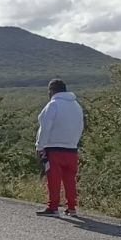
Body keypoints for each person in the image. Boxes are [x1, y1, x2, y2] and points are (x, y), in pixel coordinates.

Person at [35, 79, 84, 217]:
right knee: (70, 180)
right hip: (72, 149)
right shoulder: (77, 106)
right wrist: (73, 142)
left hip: (54, 149)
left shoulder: (53, 105)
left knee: (53, 178)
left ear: (51, 90)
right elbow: (80, 127)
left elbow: (45, 127)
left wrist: (40, 146)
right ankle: (72, 208)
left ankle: (53, 207)